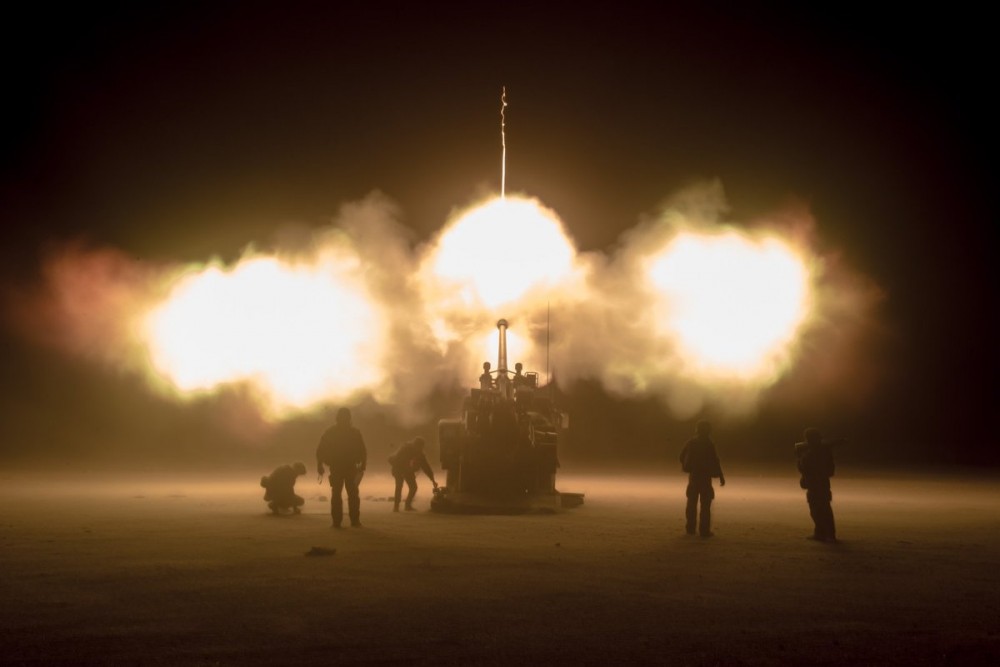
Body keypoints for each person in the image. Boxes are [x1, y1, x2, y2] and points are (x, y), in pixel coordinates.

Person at [316, 407, 367, 528]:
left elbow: (320, 450)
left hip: (342, 467)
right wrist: (363, 465)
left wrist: (320, 464)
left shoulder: (332, 432)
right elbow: (362, 450)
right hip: (344, 467)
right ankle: (351, 521)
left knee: (341, 494)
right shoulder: (353, 432)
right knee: (350, 494)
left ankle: (339, 521)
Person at [795, 428, 844, 542]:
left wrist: (800, 457)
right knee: (822, 509)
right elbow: (830, 470)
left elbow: (802, 467)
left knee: (818, 510)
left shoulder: (810, 454)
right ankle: (824, 533)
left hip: (815, 485)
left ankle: (825, 534)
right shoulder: (824, 452)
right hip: (822, 484)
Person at [679, 420, 726, 537]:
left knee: (691, 503)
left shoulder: (691, 442)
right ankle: (704, 531)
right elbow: (715, 460)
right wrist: (720, 476)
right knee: (705, 505)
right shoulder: (709, 444)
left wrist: (687, 466)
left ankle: (690, 529)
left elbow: (681, 456)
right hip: (705, 478)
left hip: (694, 477)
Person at [388, 437, 438, 511]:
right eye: (418, 447)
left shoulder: (420, 454)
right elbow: (397, 460)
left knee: (413, 487)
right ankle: (396, 507)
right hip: (398, 468)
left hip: (408, 470)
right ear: (414, 445)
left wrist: (432, 480)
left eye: (421, 447)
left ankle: (407, 505)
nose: (419, 449)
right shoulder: (405, 449)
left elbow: (426, 467)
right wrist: (405, 470)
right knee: (399, 486)